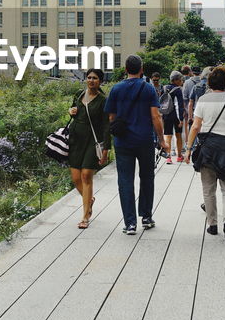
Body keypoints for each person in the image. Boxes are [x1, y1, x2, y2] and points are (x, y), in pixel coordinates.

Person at [105, 54, 170, 235]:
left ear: (125, 70)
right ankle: (147, 217)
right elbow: (155, 116)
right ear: (141, 70)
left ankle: (130, 223)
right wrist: (162, 141)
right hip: (144, 140)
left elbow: (111, 117)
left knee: (125, 180)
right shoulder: (148, 89)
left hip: (123, 141)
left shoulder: (116, 89)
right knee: (147, 178)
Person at [183, 65, 225, 240]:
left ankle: (212, 224)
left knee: (208, 189)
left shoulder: (204, 100)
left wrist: (188, 150)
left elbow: (195, 126)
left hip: (208, 149)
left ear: (210, 82)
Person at [66, 68, 108, 229]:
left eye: (95, 78)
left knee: (86, 176)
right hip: (76, 140)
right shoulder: (78, 94)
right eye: (89, 77)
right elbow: (73, 111)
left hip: (93, 141)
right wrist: (71, 111)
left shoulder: (103, 100)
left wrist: (106, 149)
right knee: (76, 178)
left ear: (100, 81)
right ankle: (89, 199)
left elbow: (106, 126)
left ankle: (85, 216)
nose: (91, 80)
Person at [159, 70, 186, 162]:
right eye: (180, 80)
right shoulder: (178, 90)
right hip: (175, 116)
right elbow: (179, 105)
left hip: (166, 114)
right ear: (176, 80)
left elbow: (161, 102)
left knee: (167, 135)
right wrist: (181, 119)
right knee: (178, 135)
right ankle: (179, 156)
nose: (181, 82)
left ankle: (169, 157)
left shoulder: (164, 87)